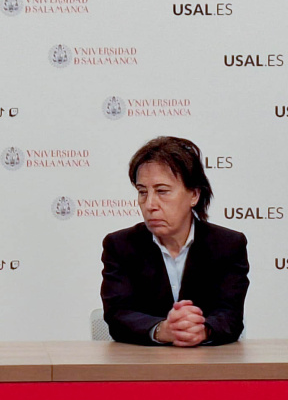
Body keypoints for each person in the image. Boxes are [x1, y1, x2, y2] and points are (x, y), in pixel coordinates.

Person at [102, 136, 249, 346]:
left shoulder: (228, 245)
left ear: (194, 195)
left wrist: (202, 331)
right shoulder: (120, 245)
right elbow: (118, 315)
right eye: (142, 192)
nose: (150, 204)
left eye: (162, 191)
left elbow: (231, 316)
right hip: (142, 367)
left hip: (209, 367)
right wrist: (163, 330)